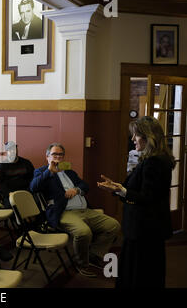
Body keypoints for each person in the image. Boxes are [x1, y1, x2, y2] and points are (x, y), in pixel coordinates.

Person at [97, 116, 174, 287]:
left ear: (149, 137)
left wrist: (121, 190)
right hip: (145, 228)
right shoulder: (153, 159)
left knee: (140, 275)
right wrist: (118, 187)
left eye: (136, 135)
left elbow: (147, 197)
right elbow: (137, 189)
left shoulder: (154, 162)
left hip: (145, 229)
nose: (132, 139)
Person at [30, 143, 120, 278]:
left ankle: (94, 255)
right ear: (47, 156)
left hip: (84, 209)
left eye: (61, 155)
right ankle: (82, 263)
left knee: (113, 225)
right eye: (55, 154)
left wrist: (76, 189)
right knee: (84, 232)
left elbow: (84, 185)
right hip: (64, 212)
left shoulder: (69, 171)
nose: (58, 157)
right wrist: (49, 172)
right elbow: (33, 187)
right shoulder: (41, 172)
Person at [0, 141, 34, 209]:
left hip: (26, 192)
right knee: (11, 207)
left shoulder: (26, 163)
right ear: (6, 152)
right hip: (11, 194)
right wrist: (8, 193)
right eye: (10, 150)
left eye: (14, 149)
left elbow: (33, 178)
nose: (13, 151)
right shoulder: (2, 166)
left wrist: (29, 190)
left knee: (37, 202)